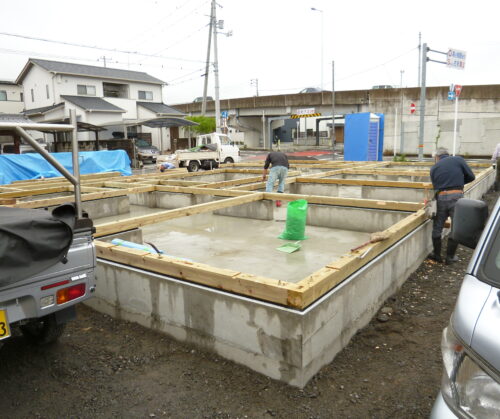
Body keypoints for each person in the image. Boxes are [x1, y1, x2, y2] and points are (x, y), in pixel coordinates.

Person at [428, 147, 475, 264]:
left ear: (437, 157)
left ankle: (437, 255)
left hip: (441, 198)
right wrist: (457, 183)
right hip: (457, 197)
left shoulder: (434, 168)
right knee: (456, 227)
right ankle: (450, 257)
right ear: (447, 154)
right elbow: (471, 176)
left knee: (437, 227)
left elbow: (436, 187)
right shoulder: (458, 160)